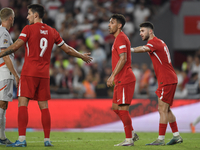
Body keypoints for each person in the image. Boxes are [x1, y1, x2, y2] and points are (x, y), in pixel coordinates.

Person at [0, 4, 92, 147]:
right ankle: (47, 140)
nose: (27, 16)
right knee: (44, 106)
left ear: (36, 15)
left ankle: (22, 140)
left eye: (29, 14)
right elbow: (67, 49)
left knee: (23, 104)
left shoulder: (28, 29)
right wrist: (81, 56)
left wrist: (1, 53)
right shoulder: (52, 31)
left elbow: (16, 46)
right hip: (44, 74)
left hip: (29, 72)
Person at [131, 22, 183, 145]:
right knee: (166, 109)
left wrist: (129, 49)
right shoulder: (159, 42)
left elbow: (143, 49)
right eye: (140, 31)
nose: (140, 33)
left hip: (167, 79)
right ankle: (176, 136)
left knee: (162, 109)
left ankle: (160, 139)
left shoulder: (154, 43)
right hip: (167, 79)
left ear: (150, 31)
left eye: (142, 31)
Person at [107, 14, 139, 146]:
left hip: (124, 78)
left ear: (119, 25)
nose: (109, 25)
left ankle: (128, 140)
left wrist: (112, 75)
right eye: (109, 22)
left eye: (112, 22)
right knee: (116, 108)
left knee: (123, 109)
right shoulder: (118, 39)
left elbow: (123, 58)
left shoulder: (120, 38)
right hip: (121, 79)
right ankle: (131, 133)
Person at [0, 7, 19, 145]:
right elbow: (6, 56)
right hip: (4, 71)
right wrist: (16, 75)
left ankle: (2, 137)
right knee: (2, 104)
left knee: (2, 105)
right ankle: (1, 138)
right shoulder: (4, 34)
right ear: (10, 18)